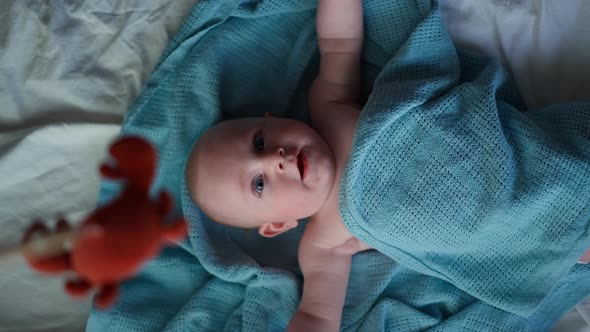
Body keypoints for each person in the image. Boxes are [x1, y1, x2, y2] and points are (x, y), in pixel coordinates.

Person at [185, 0, 368, 330]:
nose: (275, 159)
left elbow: (340, 41)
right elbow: (317, 315)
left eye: (259, 142)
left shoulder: (329, 103)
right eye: (259, 184)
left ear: (273, 120)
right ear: (278, 224)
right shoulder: (322, 246)